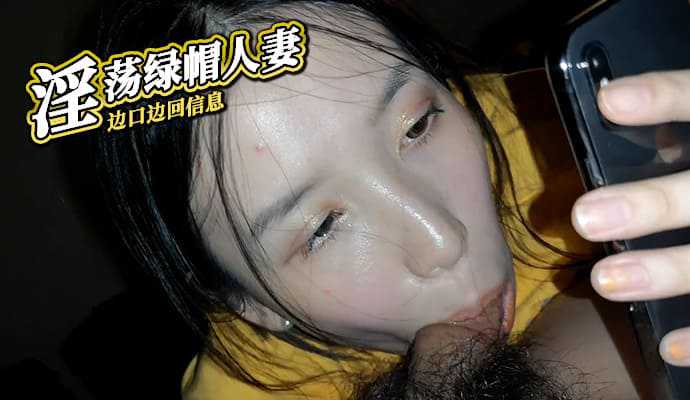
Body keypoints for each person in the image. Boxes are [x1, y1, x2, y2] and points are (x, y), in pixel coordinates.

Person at [89, 0, 690, 398]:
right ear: (251, 304)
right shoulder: (246, 388)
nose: (443, 240)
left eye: (417, 126)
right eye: (323, 228)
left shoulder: (562, 130)